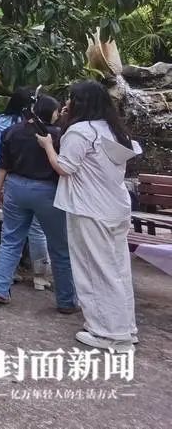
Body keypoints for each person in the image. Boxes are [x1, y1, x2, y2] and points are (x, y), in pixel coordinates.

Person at [35, 80, 141, 352]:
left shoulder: (80, 132)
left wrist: (48, 145)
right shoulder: (114, 131)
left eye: (71, 98)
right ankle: (125, 328)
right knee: (116, 269)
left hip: (90, 209)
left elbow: (65, 167)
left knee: (94, 270)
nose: (67, 103)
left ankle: (107, 333)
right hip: (115, 207)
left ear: (80, 102)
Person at [0, 95, 78, 314]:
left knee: (10, 240)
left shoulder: (13, 131)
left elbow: (3, 165)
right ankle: (66, 300)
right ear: (51, 112)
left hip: (15, 188)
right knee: (59, 247)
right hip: (47, 191)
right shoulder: (56, 135)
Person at [0, 88, 50, 289]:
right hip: (36, 179)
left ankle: (7, 275)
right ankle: (39, 276)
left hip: (6, 179)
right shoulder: (38, 126)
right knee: (37, 230)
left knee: (11, 231)